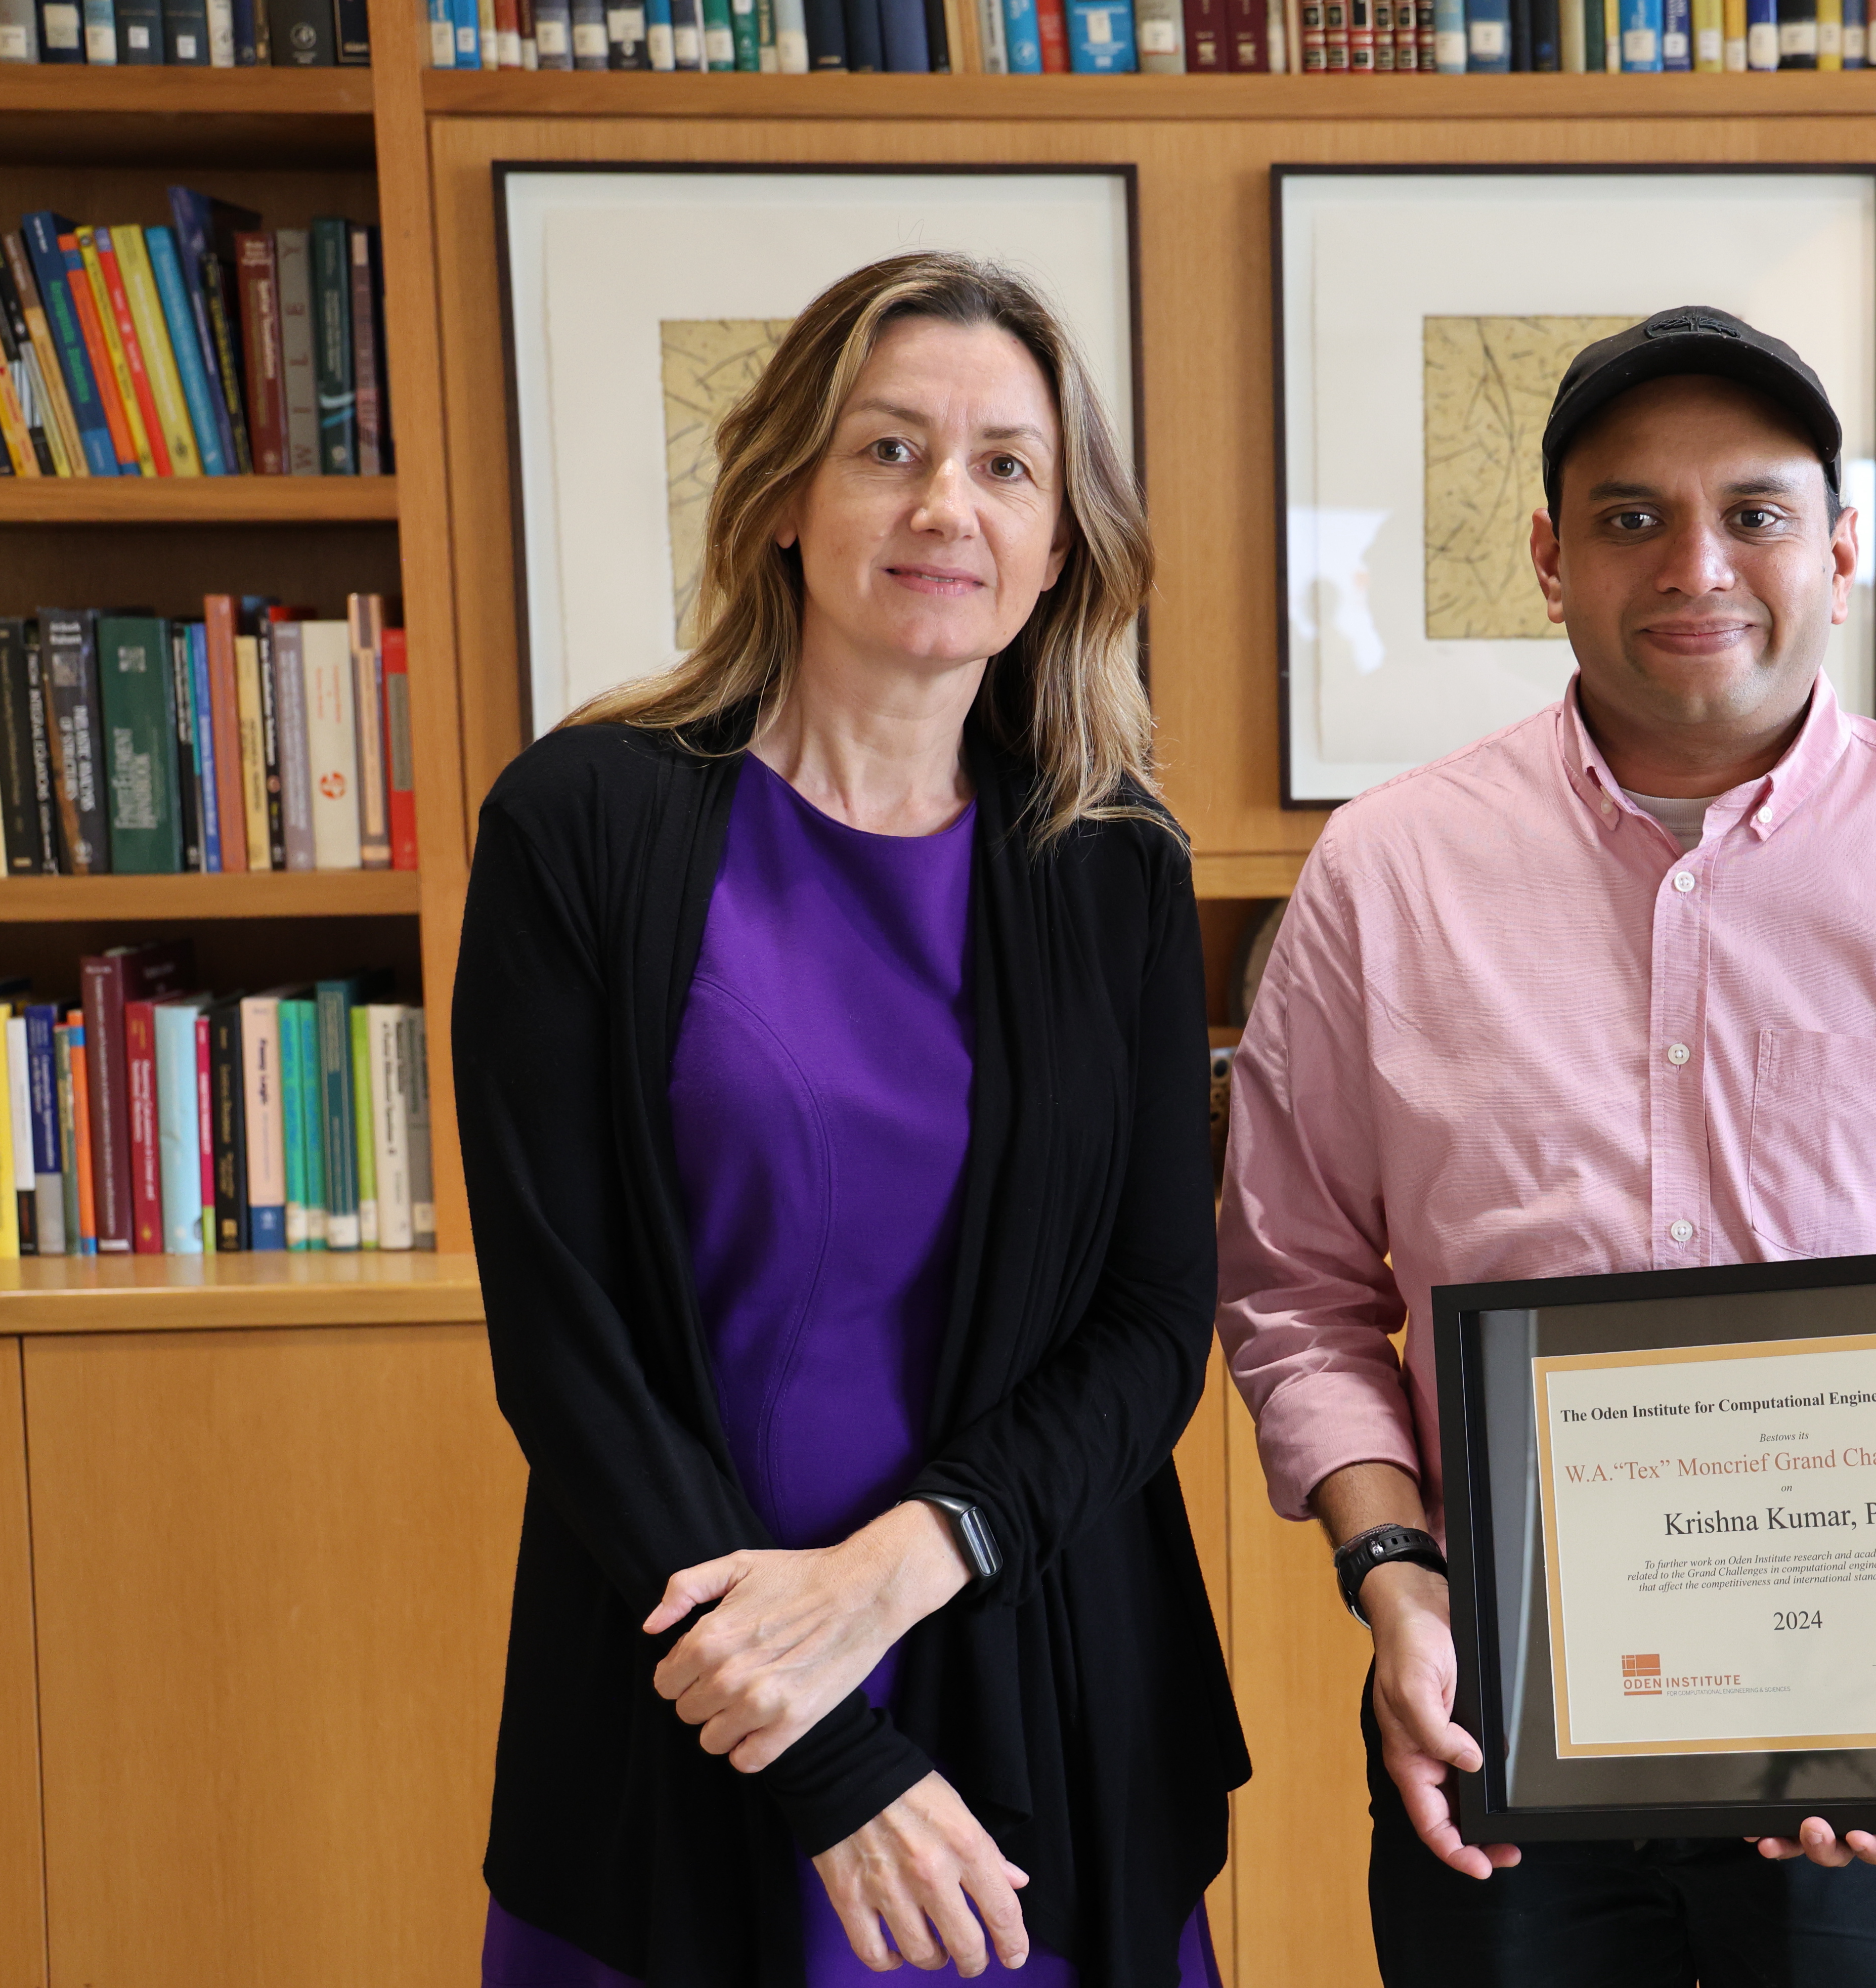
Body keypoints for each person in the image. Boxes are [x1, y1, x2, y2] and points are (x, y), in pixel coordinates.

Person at [1216, 305, 1876, 1988]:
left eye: (1753, 510)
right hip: (1493, 1725)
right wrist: (1395, 1576)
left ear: (1840, 546)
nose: (1696, 562)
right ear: (1547, 557)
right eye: (1629, 515)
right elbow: (1293, 1291)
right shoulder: (1385, 880)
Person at [454, 251, 1246, 1988]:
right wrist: (815, 1735)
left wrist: (899, 1570)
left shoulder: (1114, 867)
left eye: (1005, 464)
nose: (944, 501)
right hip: (684, 1680)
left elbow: (1151, 1323)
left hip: (1031, 1666)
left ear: (1059, 549)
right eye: (889, 447)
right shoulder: (582, 824)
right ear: (787, 499)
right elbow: (565, 1342)